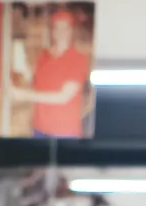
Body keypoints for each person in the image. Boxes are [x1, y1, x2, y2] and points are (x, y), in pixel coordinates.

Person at [10, 9, 91, 138]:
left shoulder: (78, 59)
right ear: (52, 31)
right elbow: (35, 84)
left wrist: (24, 95)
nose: (60, 32)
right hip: (39, 129)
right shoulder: (43, 56)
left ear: (71, 31)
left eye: (65, 28)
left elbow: (63, 97)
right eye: (57, 28)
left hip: (65, 133)